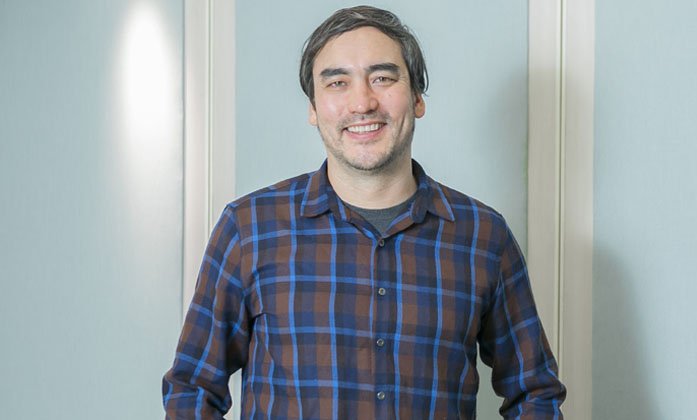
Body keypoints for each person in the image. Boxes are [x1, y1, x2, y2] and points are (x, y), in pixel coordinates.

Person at [162, 5, 565, 419]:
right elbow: (192, 391)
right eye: (337, 83)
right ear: (313, 108)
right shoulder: (249, 230)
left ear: (417, 97)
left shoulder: (484, 237)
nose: (362, 102)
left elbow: (534, 394)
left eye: (382, 78)